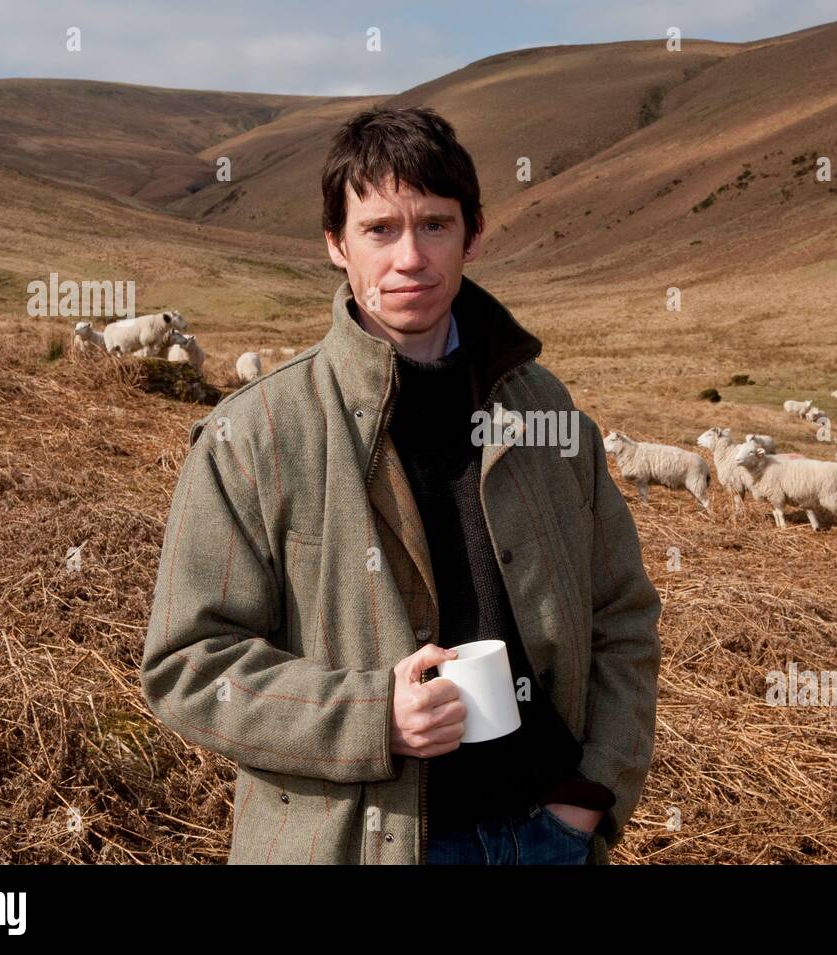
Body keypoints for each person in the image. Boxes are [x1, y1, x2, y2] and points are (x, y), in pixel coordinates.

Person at [140, 105, 661, 864]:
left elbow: (623, 614)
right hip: (354, 844)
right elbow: (187, 664)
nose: (409, 257)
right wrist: (372, 716)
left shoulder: (544, 410)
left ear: (472, 233)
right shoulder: (255, 434)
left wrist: (588, 798)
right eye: (380, 229)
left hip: (546, 836)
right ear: (335, 244)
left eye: (434, 225)